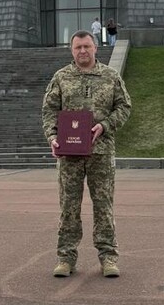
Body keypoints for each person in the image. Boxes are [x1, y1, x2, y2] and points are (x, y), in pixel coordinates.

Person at [42, 30, 132, 278]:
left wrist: (105, 125)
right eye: (78, 47)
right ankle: (65, 258)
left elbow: (124, 107)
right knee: (69, 208)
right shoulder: (61, 77)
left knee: (103, 206)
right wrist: (52, 137)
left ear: (95, 48)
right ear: (72, 50)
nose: (82, 51)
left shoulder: (110, 76)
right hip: (69, 156)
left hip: (100, 154)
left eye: (86, 46)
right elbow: (49, 110)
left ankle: (108, 258)